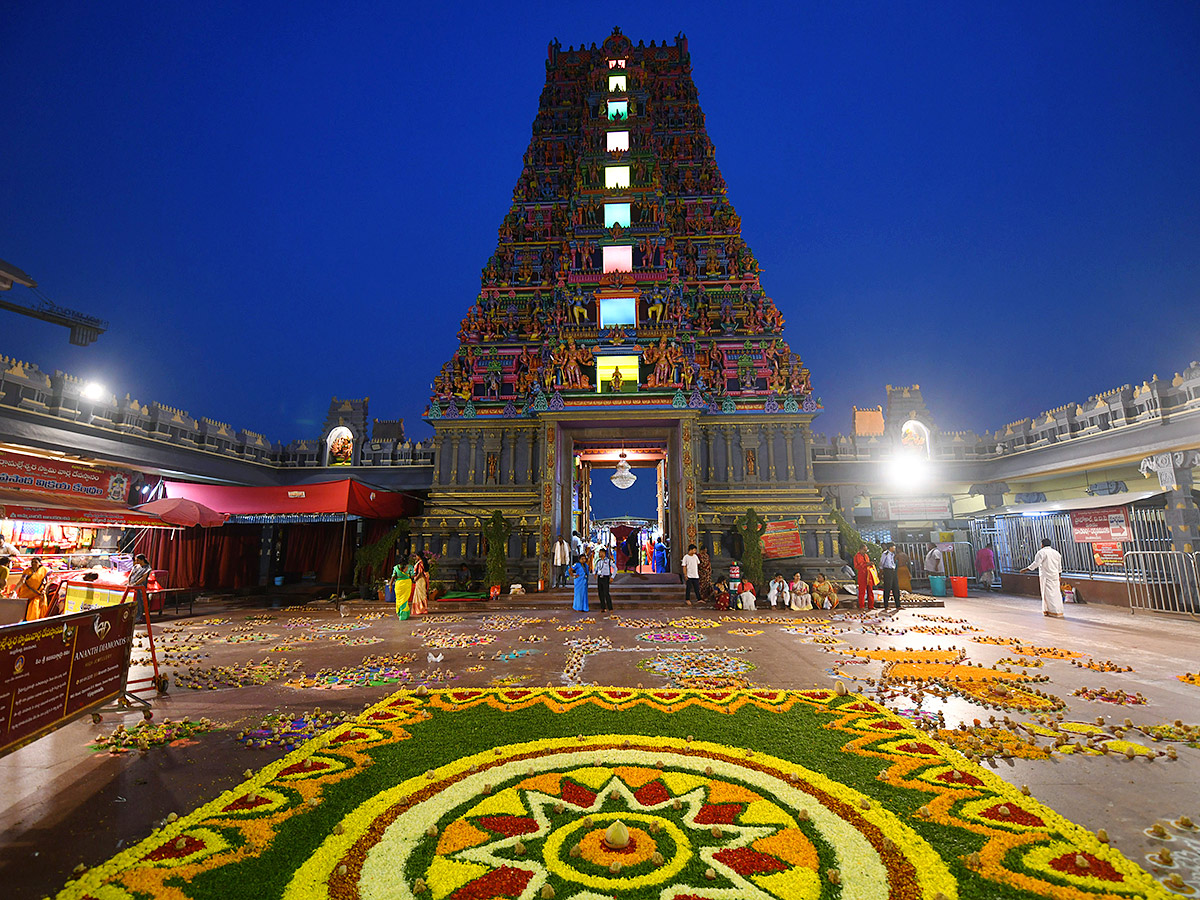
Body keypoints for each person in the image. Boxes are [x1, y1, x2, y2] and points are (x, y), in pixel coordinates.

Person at [1022, 538, 1065, 618]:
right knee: (1056, 593)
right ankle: (1059, 611)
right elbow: (1059, 567)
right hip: (1055, 576)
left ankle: (1051, 611)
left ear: (1042, 544)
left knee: (1047, 594)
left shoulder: (1041, 552)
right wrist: (1059, 576)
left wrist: (1026, 569)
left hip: (1046, 576)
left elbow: (1036, 563)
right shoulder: (1056, 553)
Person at [17, 556, 49, 622]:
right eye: (32, 562)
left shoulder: (44, 570)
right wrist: (14, 590)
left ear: (40, 563)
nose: (33, 563)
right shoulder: (27, 571)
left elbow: (48, 581)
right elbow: (22, 581)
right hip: (26, 594)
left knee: (37, 611)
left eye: (35, 562)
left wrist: (45, 590)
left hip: (38, 595)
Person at [127, 553, 152, 622]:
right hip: (131, 585)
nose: (136, 562)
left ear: (142, 560)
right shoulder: (135, 566)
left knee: (139, 601)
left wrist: (135, 584)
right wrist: (129, 583)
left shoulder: (147, 568)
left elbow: (143, 578)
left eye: (138, 560)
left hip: (139, 587)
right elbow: (130, 575)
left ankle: (138, 617)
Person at [879, 542, 900, 611]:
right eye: (894, 546)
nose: (894, 548)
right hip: (887, 571)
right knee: (887, 588)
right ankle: (886, 605)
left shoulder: (892, 554)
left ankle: (898, 605)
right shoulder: (885, 554)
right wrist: (881, 572)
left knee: (896, 587)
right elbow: (881, 563)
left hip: (893, 571)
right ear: (890, 547)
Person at [853, 545, 874, 610]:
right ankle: (862, 606)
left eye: (866, 550)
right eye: (864, 550)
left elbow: (867, 563)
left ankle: (871, 606)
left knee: (870, 590)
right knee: (862, 591)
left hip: (868, 574)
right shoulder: (857, 556)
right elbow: (858, 565)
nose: (865, 551)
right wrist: (867, 564)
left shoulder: (866, 556)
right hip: (862, 574)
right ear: (860, 549)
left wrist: (870, 564)